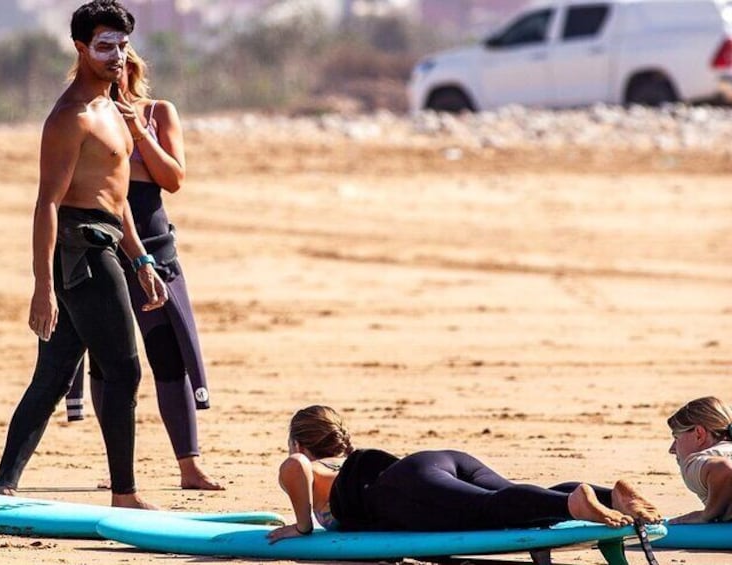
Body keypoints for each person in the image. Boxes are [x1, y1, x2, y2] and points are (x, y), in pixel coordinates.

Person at [0, 0, 167, 509]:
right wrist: (43, 286)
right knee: (125, 369)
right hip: (81, 250)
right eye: (104, 46)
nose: (116, 56)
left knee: (53, 372)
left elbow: (118, 198)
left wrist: (142, 260)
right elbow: (47, 202)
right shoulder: (70, 117)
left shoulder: (113, 109)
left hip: (108, 240)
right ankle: (125, 495)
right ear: (81, 49)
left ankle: (4, 486)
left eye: (122, 45)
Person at [65, 45, 222, 490]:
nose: (117, 74)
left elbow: (173, 179)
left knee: (167, 353)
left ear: (134, 68)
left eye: (125, 64)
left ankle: (189, 466)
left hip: (154, 246)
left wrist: (138, 129)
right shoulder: (85, 117)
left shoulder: (157, 112)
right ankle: (120, 469)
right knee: (108, 357)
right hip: (101, 244)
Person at [267, 405, 661, 542]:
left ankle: (575, 503)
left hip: (404, 486)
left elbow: (295, 466)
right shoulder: (342, 464)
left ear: (300, 442)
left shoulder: (306, 465)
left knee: (491, 509)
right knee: (513, 500)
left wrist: (301, 526)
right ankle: (608, 496)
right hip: (435, 462)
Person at [667, 396, 732, 524]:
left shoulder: (694, 461)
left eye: (676, 438)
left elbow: (723, 469)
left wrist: (707, 515)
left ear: (699, 434)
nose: (672, 449)